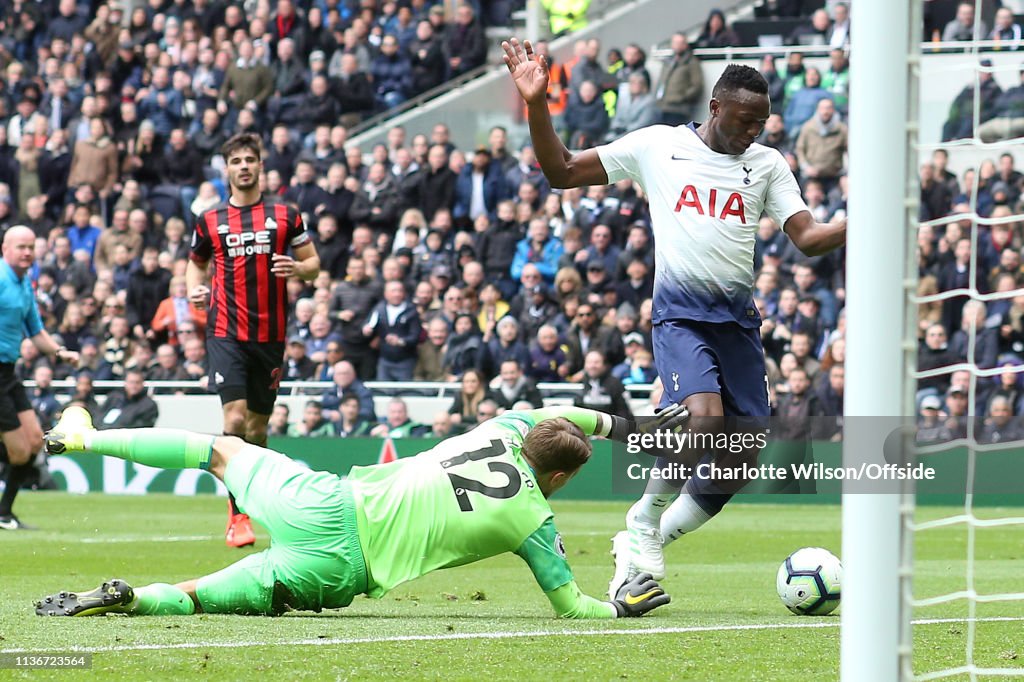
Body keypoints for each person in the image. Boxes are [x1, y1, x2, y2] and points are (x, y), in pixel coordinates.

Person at [502, 39, 846, 592]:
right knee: (704, 418)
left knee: (743, 453)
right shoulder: (658, 147)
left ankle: (651, 536)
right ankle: (643, 518)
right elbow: (562, 171)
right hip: (680, 315)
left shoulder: (767, 164)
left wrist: (866, 215)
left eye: (761, 122)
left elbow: (807, 238)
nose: (752, 131)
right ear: (714, 107)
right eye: (742, 120)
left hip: (737, 323)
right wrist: (537, 104)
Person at [38, 404, 673, 619]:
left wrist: (625, 425)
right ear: (558, 476)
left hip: (324, 502)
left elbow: (563, 415)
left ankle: (84, 436)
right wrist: (618, 606)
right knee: (198, 596)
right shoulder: (533, 523)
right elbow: (571, 608)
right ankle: (136, 599)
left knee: (217, 450)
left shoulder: (505, 426)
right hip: (343, 572)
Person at [187, 133, 321, 548]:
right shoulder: (210, 220)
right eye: (236, 161)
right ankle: (238, 516)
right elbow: (195, 265)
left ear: (260, 166)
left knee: (258, 431)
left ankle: (255, 499)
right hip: (226, 331)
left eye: (250, 160)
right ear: (226, 169)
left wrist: (299, 271)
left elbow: (314, 265)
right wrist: (194, 289)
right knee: (234, 422)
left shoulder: (285, 215)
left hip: (271, 336)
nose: (243, 166)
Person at [0, 227, 80, 530]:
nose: (27, 252)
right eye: (21, 246)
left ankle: (4, 514)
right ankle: (3, 513)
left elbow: (35, 331)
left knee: (34, 442)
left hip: (8, 372)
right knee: (18, 450)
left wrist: (61, 352)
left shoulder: (24, 285)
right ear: (5, 248)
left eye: (31, 247)